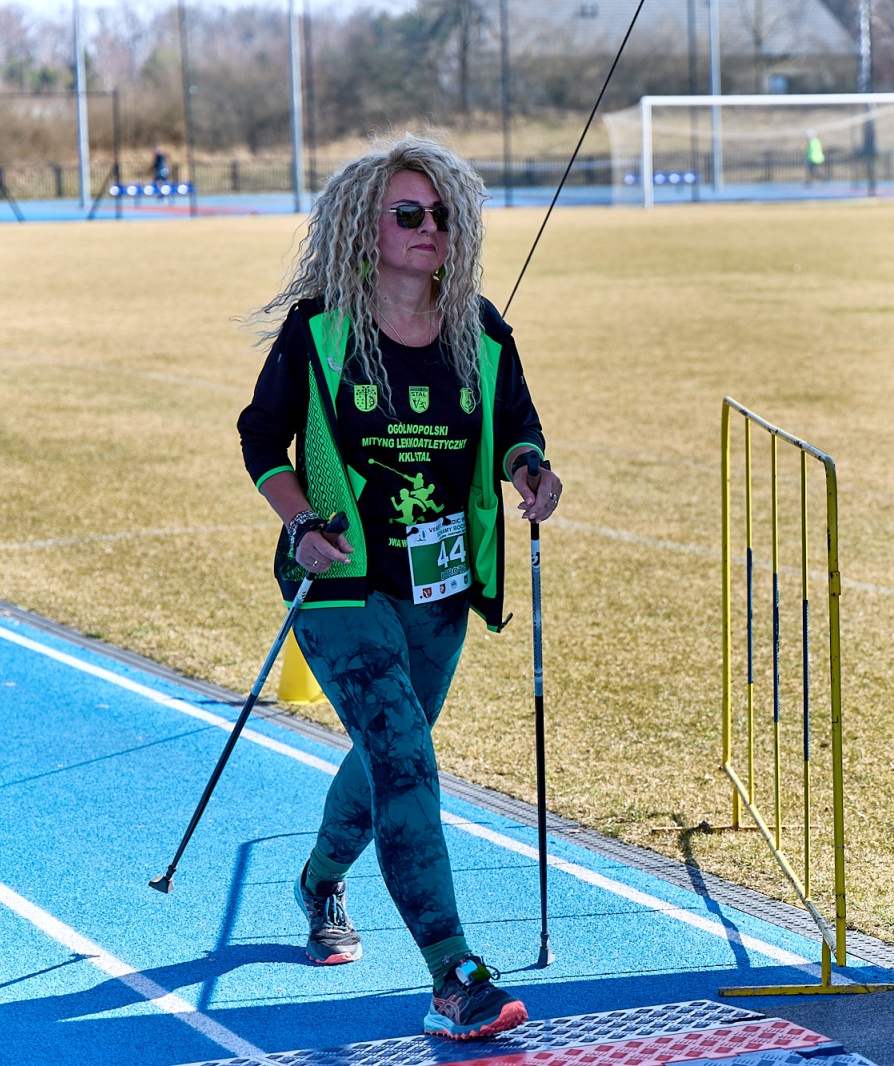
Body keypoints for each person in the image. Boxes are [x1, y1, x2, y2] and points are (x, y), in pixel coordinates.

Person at [237, 137, 562, 1041]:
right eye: (410, 215)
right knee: (405, 756)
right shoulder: (320, 331)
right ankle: (453, 973)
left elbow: (517, 427)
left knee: (395, 750)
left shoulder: (481, 330)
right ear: (366, 230)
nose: (431, 230)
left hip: (440, 588)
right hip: (341, 584)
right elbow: (261, 439)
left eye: (444, 215)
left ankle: (318, 879)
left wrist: (530, 468)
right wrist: (302, 524)